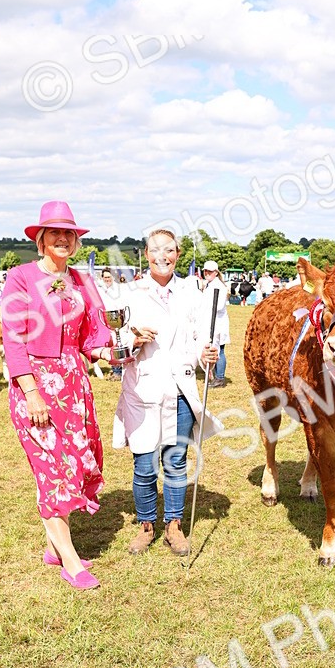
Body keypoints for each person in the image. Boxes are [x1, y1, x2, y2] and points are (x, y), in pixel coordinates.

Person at [1, 201, 115, 589]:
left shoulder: (82, 280)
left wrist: (119, 351)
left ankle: (54, 546)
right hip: (35, 383)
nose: (63, 238)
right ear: (41, 239)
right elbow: (13, 340)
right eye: (55, 232)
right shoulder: (20, 278)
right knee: (51, 470)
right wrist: (31, 393)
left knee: (73, 464)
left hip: (74, 384)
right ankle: (71, 562)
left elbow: (91, 339)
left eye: (69, 233)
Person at [113, 229, 222, 555]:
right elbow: (114, 346)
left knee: (175, 462)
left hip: (180, 390)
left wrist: (206, 354)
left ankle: (173, 525)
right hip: (142, 389)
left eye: (170, 250)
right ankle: (146, 525)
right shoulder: (128, 293)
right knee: (144, 465)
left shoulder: (191, 294)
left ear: (177, 254)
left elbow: (200, 337)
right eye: (156, 249)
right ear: (146, 253)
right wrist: (133, 341)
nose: (163, 255)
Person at [201, 260, 229, 388]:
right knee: (214, 348)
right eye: (205, 271)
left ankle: (220, 378)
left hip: (218, 323)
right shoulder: (208, 284)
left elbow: (219, 306)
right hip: (210, 322)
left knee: (219, 350)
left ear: (216, 272)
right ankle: (215, 375)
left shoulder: (219, 286)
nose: (207, 273)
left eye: (210, 271)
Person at [96, 267, 124, 380]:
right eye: (105, 277)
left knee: (119, 344)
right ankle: (115, 370)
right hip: (105, 319)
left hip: (117, 319)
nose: (107, 279)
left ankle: (119, 371)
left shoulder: (119, 289)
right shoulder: (100, 289)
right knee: (110, 345)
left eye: (109, 277)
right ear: (102, 278)